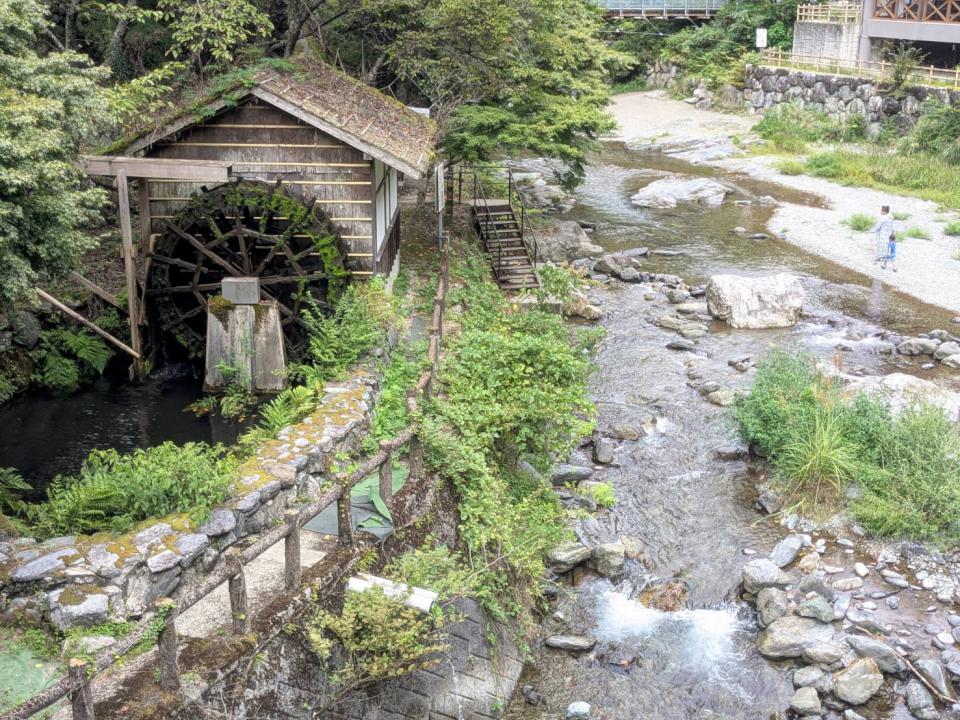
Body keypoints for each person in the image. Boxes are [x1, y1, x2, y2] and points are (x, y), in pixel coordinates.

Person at [871, 205, 896, 271]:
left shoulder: (883, 218)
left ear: (884, 211)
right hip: (889, 235)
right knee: (888, 247)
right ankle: (886, 261)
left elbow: (878, 226)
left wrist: (873, 230)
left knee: (880, 246)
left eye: (881, 210)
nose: (880, 211)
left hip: (883, 234)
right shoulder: (891, 217)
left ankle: (879, 258)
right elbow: (893, 227)